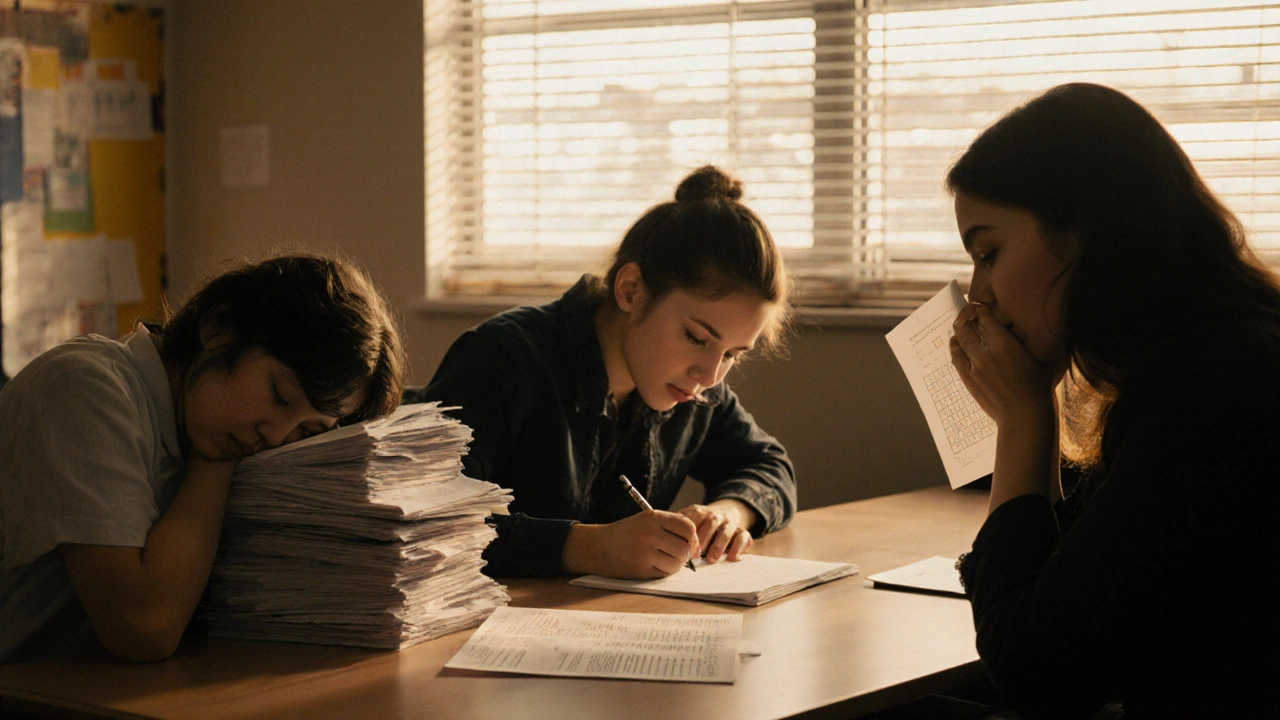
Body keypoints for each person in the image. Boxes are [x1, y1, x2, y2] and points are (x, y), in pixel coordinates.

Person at [947, 83, 1280, 718]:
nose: (977, 295)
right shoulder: (1218, 356)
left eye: (988, 253)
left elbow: (1034, 667)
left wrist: (1022, 423)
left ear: (1085, 231)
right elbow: (1067, 592)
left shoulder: (1217, 392)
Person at [0, 254, 405, 664]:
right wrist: (214, 462)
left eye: (309, 430)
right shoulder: (88, 389)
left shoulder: (208, 430)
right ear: (218, 328)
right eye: (279, 394)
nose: (277, 437)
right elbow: (143, 628)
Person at [409, 165, 796, 580]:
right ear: (630, 290)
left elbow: (770, 465)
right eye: (697, 337)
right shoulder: (504, 357)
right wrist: (587, 548)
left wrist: (728, 512)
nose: (710, 375)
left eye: (732, 355)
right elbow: (423, 520)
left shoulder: (693, 389)